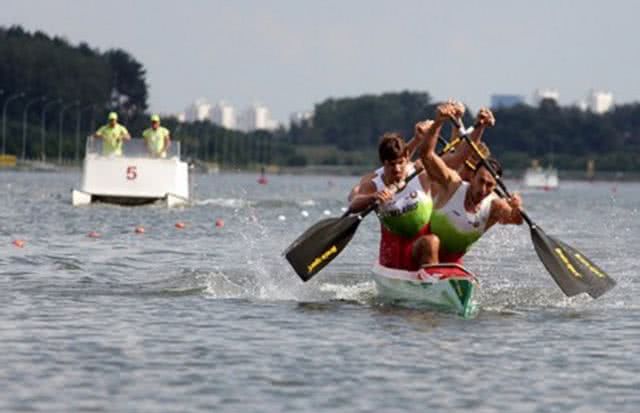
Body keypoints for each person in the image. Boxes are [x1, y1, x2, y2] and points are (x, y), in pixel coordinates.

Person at [416, 102, 524, 265]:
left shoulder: (495, 205)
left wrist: (518, 208)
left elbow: (516, 219)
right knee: (431, 243)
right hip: (420, 250)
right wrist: (439, 122)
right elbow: (427, 155)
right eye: (480, 181)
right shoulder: (452, 183)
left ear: (495, 187)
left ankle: (441, 279)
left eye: (489, 185)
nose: (482, 190)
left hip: (452, 262)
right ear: (472, 176)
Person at [349, 132, 439, 270]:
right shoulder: (374, 185)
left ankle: (433, 280)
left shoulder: (420, 172)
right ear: (383, 163)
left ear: (407, 158)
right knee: (430, 242)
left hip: (425, 251)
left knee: (431, 242)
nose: (397, 169)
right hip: (394, 256)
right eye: (391, 165)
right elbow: (354, 205)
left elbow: (452, 169)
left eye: (400, 163)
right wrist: (373, 197)